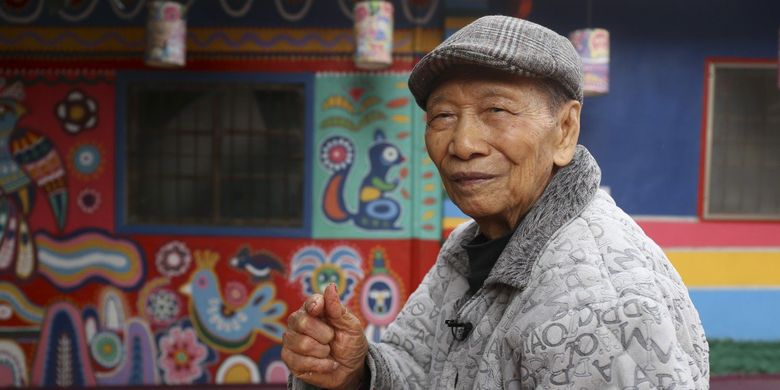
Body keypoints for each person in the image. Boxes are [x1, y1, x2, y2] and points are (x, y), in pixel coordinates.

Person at [282, 15, 709, 389]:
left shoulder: (602, 305)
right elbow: (419, 368)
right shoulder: (473, 245)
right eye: (443, 116)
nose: (463, 144)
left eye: (497, 110)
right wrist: (358, 374)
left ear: (564, 131)